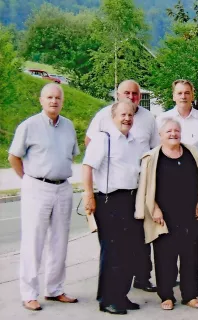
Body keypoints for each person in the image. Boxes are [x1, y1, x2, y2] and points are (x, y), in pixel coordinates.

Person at [8, 83, 79, 311]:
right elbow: (13, 157)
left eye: (57, 98)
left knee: (59, 241)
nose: (53, 101)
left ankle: (55, 289)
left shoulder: (68, 126)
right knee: (34, 241)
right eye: (49, 97)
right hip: (37, 187)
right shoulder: (29, 126)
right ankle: (29, 293)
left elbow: (71, 155)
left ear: (62, 101)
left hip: (63, 187)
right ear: (41, 100)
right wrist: (29, 180)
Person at [85, 79, 159, 293]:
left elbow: (153, 151)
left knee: (134, 243)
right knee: (113, 248)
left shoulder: (143, 125)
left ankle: (131, 287)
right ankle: (109, 297)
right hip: (109, 195)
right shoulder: (104, 129)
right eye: (126, 92)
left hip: (136, 192)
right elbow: (89, 158)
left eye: (135, 94)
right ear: (117, 95)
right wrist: (89, 193)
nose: (131, 97)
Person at [135, 118, 198, 310]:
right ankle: (166, 296)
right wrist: (154, 208)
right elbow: (146, 187)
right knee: (165, 258)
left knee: (191, 257)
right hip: (164, 216)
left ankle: (190, 295)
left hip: (191, 214)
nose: (173, 134)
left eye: (176, 131)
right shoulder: (152, 157)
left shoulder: (192, 153)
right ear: (160, 135)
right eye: (169, 131)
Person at [82, 100, 145, 315]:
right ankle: (107, 299)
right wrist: (88, 195)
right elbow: (87, 167)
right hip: (109, 201)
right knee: (112, 253)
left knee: (129, 252)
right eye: (123, 115)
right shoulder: (103, 139)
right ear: (113, 117)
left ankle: (121, 295)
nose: (127, 118)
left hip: (131, 200)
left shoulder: (135, 142)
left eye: (130, 115)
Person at [156, 79, 198, 161]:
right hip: (169, 169)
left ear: (192, 96)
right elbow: (157, 147)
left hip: (196, 170)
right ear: (174, 97)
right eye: (179, 93)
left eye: (187, 93)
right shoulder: (161, 119)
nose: (183, 96)